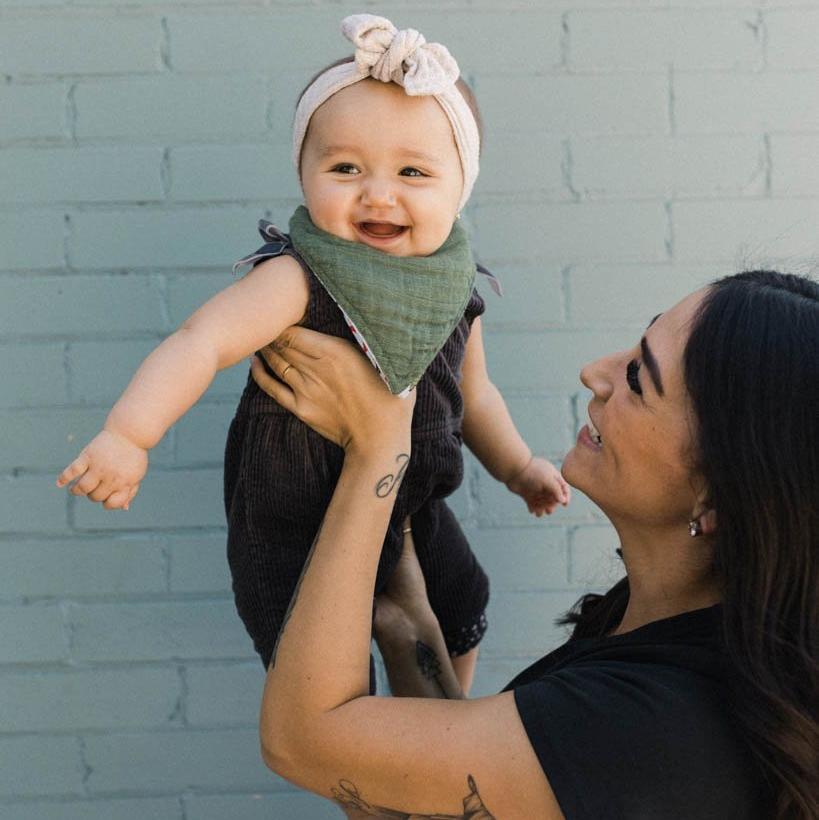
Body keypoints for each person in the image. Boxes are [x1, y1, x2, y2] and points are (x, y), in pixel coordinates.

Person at [55, 14, 569, 691]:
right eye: (345, 167)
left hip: (409, 505)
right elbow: (200, 341)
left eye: (413, 171)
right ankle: (359, 741)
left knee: (462, 599)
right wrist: (128, 434)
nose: (376, 191)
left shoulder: (455, 289)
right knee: (323, 670)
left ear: (459, 186)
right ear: (303, 173)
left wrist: (520, 466)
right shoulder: (298, 278)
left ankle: (446, 724)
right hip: (296, 518)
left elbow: (475, 395)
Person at [251, 270, 818, 819]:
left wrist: (377, 451)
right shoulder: (662, 626)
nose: (595, 373)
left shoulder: (654, 726)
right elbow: (458, 796)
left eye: (639, 380)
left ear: (715, 497)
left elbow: (301, 740)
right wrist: (409, 630)